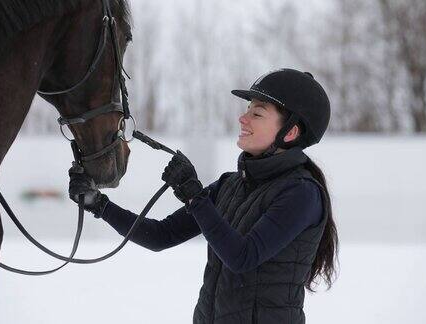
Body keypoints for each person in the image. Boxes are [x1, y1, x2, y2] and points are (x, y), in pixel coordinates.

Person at [69, 68, 339, 324]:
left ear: (290, 132)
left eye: (257, 114)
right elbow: (160, 235)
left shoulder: (302, 194)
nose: (243, 119)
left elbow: (242, 257)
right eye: (247, 111)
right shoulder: (230, 185)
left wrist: (195, 197)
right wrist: (99, 204)